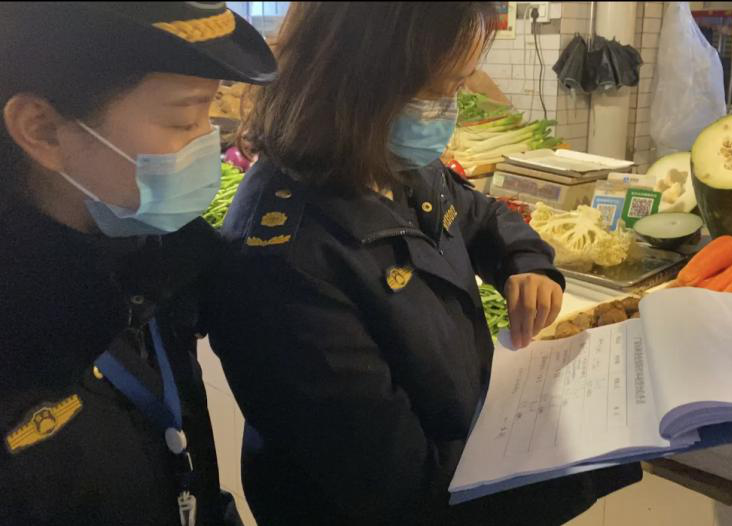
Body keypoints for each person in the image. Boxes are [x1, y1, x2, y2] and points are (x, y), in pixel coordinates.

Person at [209, 2, 642, 524]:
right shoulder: (284, 262)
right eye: (436, 92)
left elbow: (479, 213)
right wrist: (598, 449)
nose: (447, 111)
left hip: (472, 447)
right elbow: (406, 494)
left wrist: (525, 262)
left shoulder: (382, 159)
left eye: (457, 88)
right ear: (357, 77)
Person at [0, 3, 275, 525]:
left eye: (209, 115)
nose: (207, 142)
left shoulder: (149, 258)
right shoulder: (21, 348)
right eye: (183, 119)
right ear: (42, 130)